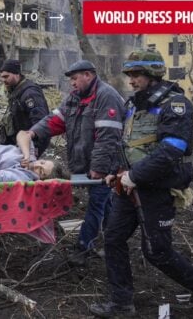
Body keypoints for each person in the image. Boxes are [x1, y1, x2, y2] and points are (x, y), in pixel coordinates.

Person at [89, 49, 193, 317]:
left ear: (152, 74)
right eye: (129, 75)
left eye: (136, 74)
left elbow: (171, 150)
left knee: (156, 251)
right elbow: (129, 145)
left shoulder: (175, 105)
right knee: (114, 238)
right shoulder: (134, 105)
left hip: (158, 189)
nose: (131, 80)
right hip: (128, 187)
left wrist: (134, 175)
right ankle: (121, 304)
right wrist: (115, 171)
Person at [27, 59, 125, 266]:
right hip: (86, 163)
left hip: (106, 164)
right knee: (106, 203)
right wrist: (33, 132)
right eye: (70, 79)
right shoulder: (74, 99)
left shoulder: (106, 97)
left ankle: (83, 247)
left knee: (97, 204)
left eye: (75, 79)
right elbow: (55, 121)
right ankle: (114, 243)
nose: (72, 83)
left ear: (88, 75)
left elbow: (108, 138)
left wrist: (98, 168)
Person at [0, 59, 50, 157]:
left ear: (17, 74)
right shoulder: (16, 90)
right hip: (17, 143)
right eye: (1, 77)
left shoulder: (30, 93)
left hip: (28, 144)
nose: (3, 80)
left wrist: (32, 149)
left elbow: (41, 122)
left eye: (6, 76)